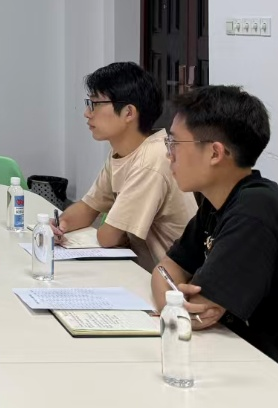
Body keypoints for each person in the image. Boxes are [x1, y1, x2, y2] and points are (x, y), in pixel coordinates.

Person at [151, 85, 278, 385]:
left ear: (215, 152)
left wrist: (175, 304)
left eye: (174, 142)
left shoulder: (257, 209)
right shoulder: (216, 200)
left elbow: (196, 312)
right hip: (244, 358)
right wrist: (173, 304)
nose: (168, 154)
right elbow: (166, 270)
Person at [51, 62, 195, 266]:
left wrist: (117, 235)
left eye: (95, 104)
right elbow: (89, 207)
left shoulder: (153, 158)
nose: (87, 113)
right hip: (140, 268)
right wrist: (60, 225)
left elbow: (108, 237)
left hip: (170, 279)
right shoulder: (121, 152)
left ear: (128, 113)